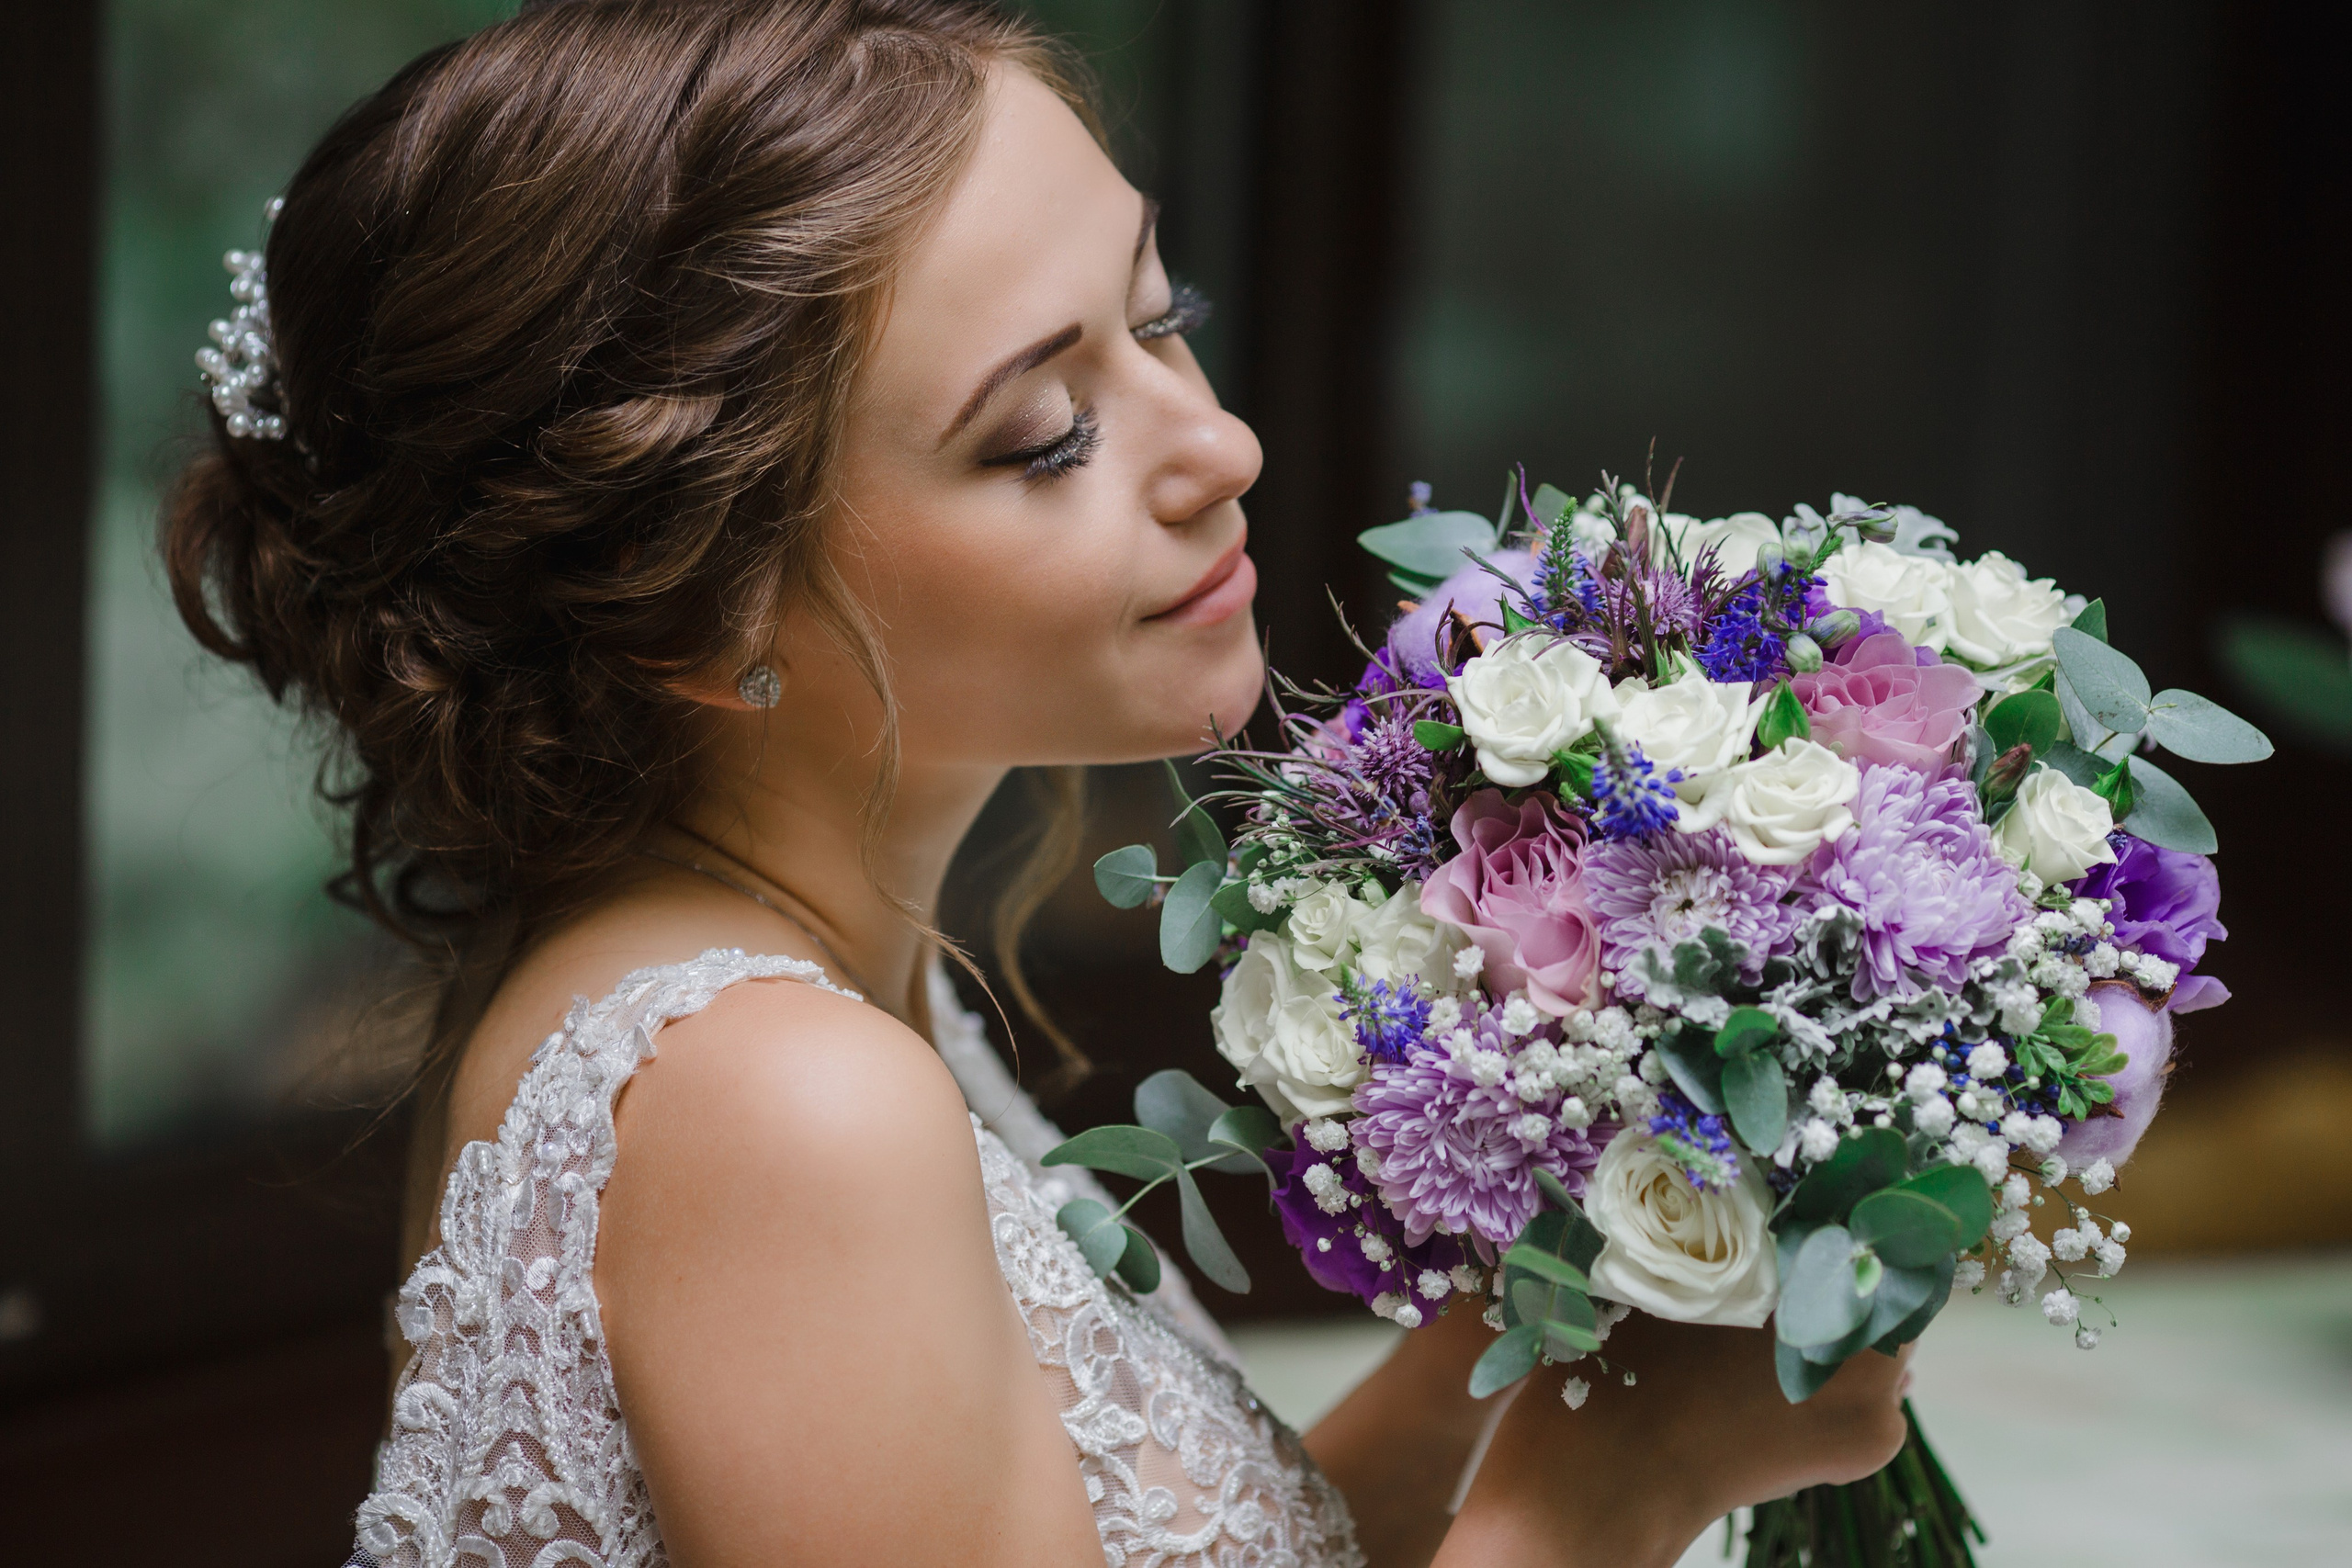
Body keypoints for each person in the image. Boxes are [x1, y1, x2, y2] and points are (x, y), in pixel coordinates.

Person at [163, 3, 1912, 1563]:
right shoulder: (776, 1108)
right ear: (696, 607)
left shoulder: (811, 995)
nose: (1216, 445)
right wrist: (1602, 1503)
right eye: (1044, 436)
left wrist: (1539, 1317)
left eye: (1164, 318)